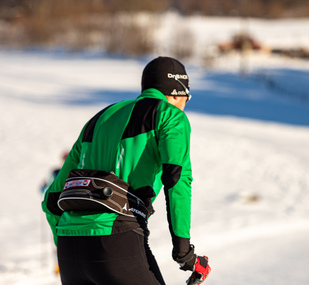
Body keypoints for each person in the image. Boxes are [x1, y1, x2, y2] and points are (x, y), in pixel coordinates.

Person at [42, 56, 211, 285]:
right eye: (186, 98)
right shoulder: (170, 116)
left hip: (70, 253)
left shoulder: (99, 118)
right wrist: (184, 253)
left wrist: (66, 240)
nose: (185, 105)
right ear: (176, 93)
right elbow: (177, 180)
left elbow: (52, 199)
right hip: (116, 242)